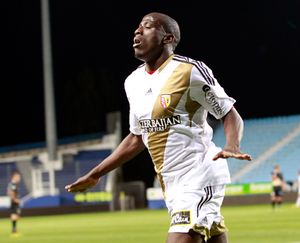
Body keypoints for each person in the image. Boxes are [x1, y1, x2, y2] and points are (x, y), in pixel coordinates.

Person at [65, 12, 252, 243]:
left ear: (168, 38)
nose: (137, 31)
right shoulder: (132, 82)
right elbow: (137, 137)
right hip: (170, 183)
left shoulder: (189, 71)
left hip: (200, 173)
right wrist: (96, 174)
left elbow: (229, 113)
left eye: (147, 27)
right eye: (137, 27)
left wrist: (232, 145)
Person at [8, 170, 21, 235]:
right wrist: (15, 199)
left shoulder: (12, 184)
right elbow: (11, 193)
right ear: (14, 177)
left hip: (13, 201)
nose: (19, 179)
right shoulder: (13, 184)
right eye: (18, 177)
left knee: (16, 215)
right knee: (14, 215)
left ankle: (14, 230)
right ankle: (14, 230)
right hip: (14, 202)